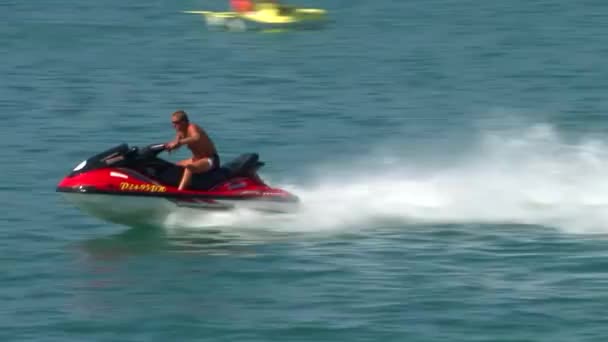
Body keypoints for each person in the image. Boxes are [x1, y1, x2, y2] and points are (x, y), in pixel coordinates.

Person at [165, 110, 220, 190]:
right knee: (176, 166)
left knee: (189, 168)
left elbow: (196, 137)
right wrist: (169, 147)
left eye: (176, 123)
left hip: (210, 159)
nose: (174, 125)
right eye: (172, 123)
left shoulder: (192, 127)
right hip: (196, 159)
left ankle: (179, 192)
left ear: (183, 122)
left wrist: (179, 142)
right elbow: (176, 144)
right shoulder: (180, 132)